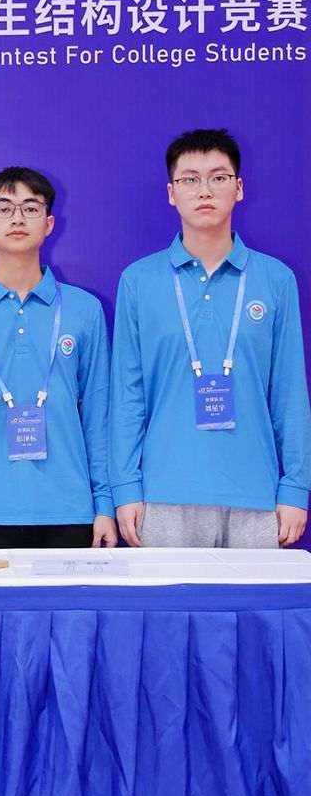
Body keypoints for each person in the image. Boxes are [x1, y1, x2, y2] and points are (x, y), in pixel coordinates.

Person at [110, 128, 311, 548]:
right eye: (190, 179)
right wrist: (125, 487)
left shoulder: (276, 280)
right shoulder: (138, 280)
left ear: (239, 188)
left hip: (255, 493)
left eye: (218, 177)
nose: (205, 190)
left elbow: (290, 393)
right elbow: (128, 396)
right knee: (169, 597)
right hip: (163, 494)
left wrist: (295, 486)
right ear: (171, 193)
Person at [0, 165, 117, 550]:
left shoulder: (85, 310)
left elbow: (99, 418)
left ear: (49, 223)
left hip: (70, 511)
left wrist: (104, 504)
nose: (17, 218)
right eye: (4, 208)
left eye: (30, 208)